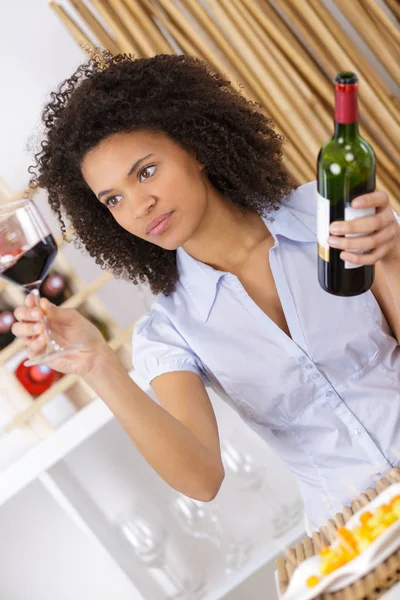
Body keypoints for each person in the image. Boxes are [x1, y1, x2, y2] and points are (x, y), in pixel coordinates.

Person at [13, 52, 400, 533]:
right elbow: (201, 480)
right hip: (358, 545)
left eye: (146, 172)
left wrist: (393, 255)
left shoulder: (328, 214)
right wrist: (98, 364)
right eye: (113, 199)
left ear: (194, 147)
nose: (139, 206)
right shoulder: (170, 330)